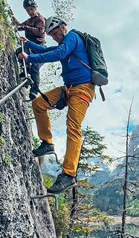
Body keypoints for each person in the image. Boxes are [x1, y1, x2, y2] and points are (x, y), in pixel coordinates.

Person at [17, 16, 95, 194]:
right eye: (52, 34)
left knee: (73, 127)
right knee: (39, 104)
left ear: (63, 27)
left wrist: (30, 57)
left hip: (83, 90)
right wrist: (28, 42)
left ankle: (69, 175)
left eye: (56, 33)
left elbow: (58, 53)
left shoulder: (73, 37)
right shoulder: (64, 43)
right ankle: (47, 142)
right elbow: (50, 49)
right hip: (69, 89)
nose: (55, 37)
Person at [14, 0, 45, 100]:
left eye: (31, 9)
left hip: (40, 48)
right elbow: (20, 26)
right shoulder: (29, 21)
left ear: (36, 8)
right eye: (27, 10)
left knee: (35, 67)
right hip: (29, 47)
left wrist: (25, 27)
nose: (30, 12)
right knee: (19, 51)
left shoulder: (40, 19)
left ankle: (34, 91)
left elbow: (39, 31)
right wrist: (15, 23)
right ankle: (26, 70)